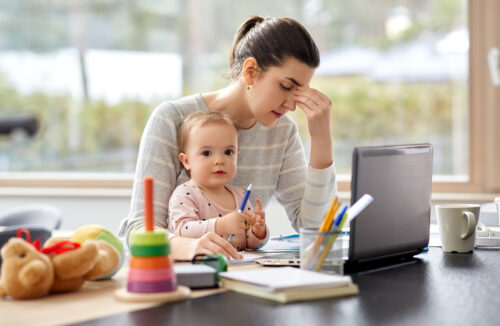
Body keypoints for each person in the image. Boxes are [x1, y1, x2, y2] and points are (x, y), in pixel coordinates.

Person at [118, 15, 337, 261]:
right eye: (286, 86)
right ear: (251, 71)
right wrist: (190, 247)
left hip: (247, 279)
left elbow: (316, 231)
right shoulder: (172, 118)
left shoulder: (282, 132)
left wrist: (322, 141)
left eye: (300, 93)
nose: (292, 105)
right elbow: (139, 229)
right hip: (186, 278)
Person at [169, 111, 268, 251]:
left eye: (228, 152)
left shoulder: (241, 197)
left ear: (237, 156)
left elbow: (250, 244)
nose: (220, 161)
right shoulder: (185, 194)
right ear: (186, 161)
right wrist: (220, 225)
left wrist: (258, 231)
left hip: (238, 269)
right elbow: (182, 231)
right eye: (207, 153)